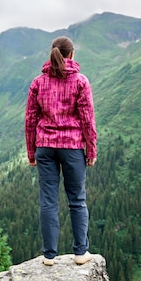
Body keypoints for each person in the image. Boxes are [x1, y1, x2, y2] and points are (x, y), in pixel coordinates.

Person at [25, 36, 97, 266]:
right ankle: (80, 253)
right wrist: (91, 150)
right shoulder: (80, 81)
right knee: (77, 200)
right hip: (72, 147)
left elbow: (30, 119)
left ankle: (49, 256)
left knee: (48, 200)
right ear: (72, 54)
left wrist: (31, 151)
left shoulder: (38, 82)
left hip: (45, 147)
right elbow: (87, 119)